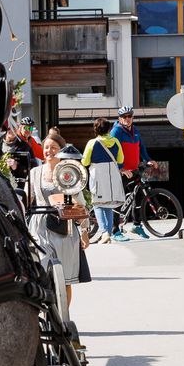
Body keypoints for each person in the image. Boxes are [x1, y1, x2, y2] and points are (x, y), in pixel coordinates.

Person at [28, 133, 81, 305]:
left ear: (61, 151)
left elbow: (79, 202)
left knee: (65, 278)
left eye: (53, 148)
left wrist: (86, 230)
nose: (48, 151)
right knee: (41, 269)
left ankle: (63, 317)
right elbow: (27, 199)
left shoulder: (68, 171)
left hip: (64, 226)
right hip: (39, 224)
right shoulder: (35, 172)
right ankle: (46, 309)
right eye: (46, 148)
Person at [109, 105, 157, 241]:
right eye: (124, 117)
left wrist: (148, 160)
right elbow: (112, 152)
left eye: (129, 116)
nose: (127, 119)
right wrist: (121, 168)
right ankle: (115, 230)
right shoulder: (116, 132)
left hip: (134, 170)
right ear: (120, 118)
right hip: (122, 173)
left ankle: (136, 225)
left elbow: (141, 147)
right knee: (118, 200)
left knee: (140, 196)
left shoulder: (135, 130)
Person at [82, 117, 125, 244]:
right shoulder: (116, 141)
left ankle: (104, 232)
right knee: (108, 205)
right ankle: (109, 233)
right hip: (112, 176)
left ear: (95, 129)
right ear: (109, 129)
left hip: (98, 176)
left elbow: (85, 161)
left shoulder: (92, 143)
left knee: (97, 204)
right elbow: (121, 160)